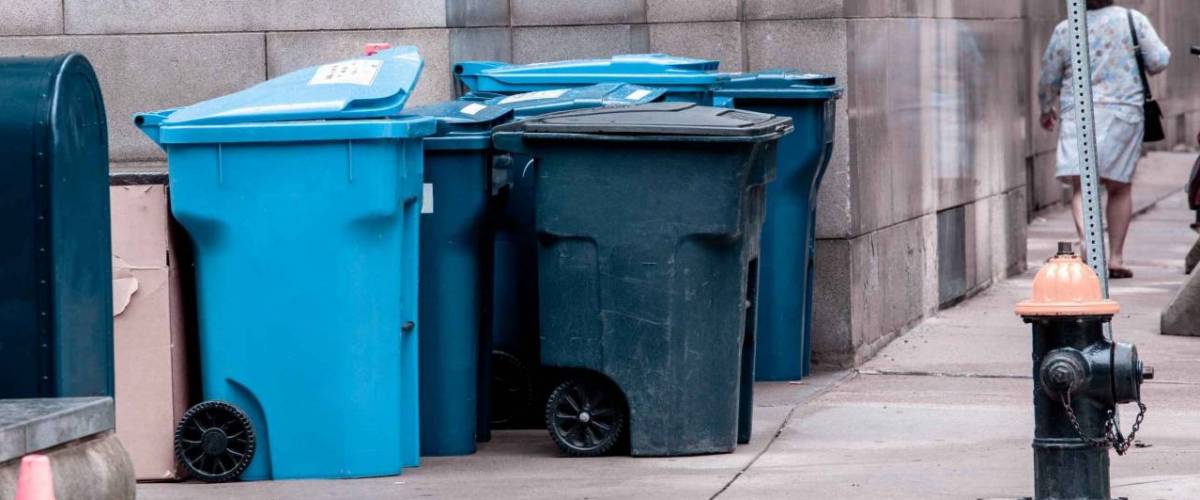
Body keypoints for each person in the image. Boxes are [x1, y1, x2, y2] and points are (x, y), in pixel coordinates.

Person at [1037, 0, 1170, 278]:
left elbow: (1049, 75)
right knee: (1119, 187)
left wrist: (1046, 107)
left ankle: (1088, 243)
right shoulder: (1133, 20)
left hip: (1080, 113)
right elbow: (1159, 60)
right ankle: (1116, 258)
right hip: (1124, 112)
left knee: (1082, 186)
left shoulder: (1066, 28)